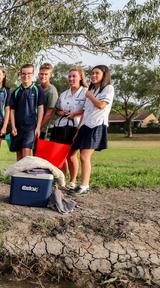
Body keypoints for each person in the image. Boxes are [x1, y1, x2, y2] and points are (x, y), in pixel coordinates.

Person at [71, 65, 114, 195]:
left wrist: (89, 96)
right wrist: (78, 130)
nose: (93, 75)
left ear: (104, 74)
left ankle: (84, 186)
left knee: (84, 156)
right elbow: (85, 112)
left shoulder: (108, 89)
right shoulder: (92, 90)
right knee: (77, 154)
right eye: (92, 73)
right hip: (85, 126)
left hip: (97, 125)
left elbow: (101, 105)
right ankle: (81, 184)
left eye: (97, 73)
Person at [51, 67, 87, 189]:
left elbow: (87, 110)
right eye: (70, 76)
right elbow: (57, 110)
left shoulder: (86, 92)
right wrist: (60, 112)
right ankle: (63, 180)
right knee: (60, 156)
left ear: (80, 77)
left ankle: (73, 181)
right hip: (60, 127)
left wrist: (75, 114)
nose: (71, 78)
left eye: (74, 76)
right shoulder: (63, 94)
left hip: (75, 127)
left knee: (71, 155)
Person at [9, 64, 46, 161]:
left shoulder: (38, 89)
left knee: (26, 151)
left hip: (31, 127)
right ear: (20, 74)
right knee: (19, 153)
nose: (26, 76)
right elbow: (12, 111)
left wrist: (38, 127)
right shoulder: (16, 92)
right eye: (23, 74)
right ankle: (19, 175)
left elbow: (41, 108)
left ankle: (26, 175)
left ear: (33, 74)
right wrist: (13, 126)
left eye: (29, 73)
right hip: (17, 127)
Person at [37, 63, 59, 139]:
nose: (43, 76)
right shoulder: (37, 88)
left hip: (43, 128)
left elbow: (49, 113)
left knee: (38, 150)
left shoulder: (52, 91)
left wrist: (38, 127)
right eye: (41, 74)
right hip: (33, 125)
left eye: (46, 74)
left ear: (50, 75)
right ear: (38, 74)